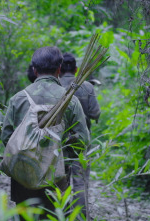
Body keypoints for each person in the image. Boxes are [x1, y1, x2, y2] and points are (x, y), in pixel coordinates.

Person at [1, 47, 90, 220]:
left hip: (22, 176)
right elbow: (82, 140)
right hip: (57, 178)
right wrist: (61, 159)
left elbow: (6, 136)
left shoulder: (18, 99)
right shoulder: (70, 100)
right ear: (59, 69)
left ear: (34, 70)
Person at [59, 52, 101, 218]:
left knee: (60, 180)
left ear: (59, 69)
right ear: (76, 69)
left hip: (58, 141)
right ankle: (80, 217)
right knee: (79, 181)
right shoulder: (87, 86)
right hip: (81, 140)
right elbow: (95, 113)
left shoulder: (55, 85)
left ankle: (61, 215)